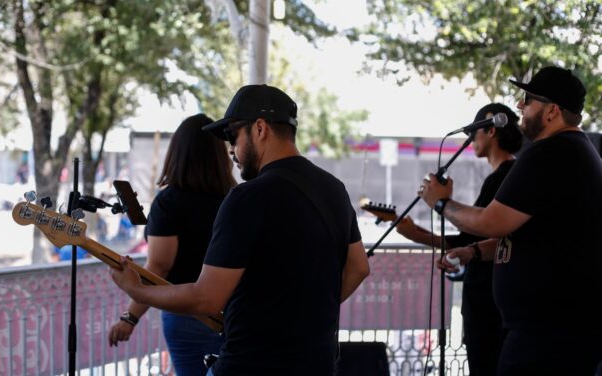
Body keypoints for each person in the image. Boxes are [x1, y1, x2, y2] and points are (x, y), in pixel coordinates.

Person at [110, 84, 370, 376]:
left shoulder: (248, 198)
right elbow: (359, 267)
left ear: (260, 129)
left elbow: (207, 298)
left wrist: (135, 290)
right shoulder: (333, 189)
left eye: (233, 135)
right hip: (316, 364)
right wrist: (306, 316)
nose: (231, 149)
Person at [418, 66, 602, 375]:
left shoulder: (551, 153)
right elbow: (531, 234)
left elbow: (492, 222)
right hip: (561, 330)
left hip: (549, 335)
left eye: (528, 100)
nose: (519, 106)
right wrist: (474, 252)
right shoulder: (573, 151)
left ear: (552, 111)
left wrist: (439, 201)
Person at [393, 103, 522, 375]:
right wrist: (417, 233)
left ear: (490, 130)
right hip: (487, 302)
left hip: (490, 306)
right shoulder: (502, 177)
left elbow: (471, 236)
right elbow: (468, 239)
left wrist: (437, 211)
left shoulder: (506, 176)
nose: (471, 140)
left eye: (474, 132)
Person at [108, 114, 237, 376]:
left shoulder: (169, 203)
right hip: (234, 314)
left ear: (177, 152)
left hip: (187, 315)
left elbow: (160, 267)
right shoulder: (235, 199)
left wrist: (130, 317)